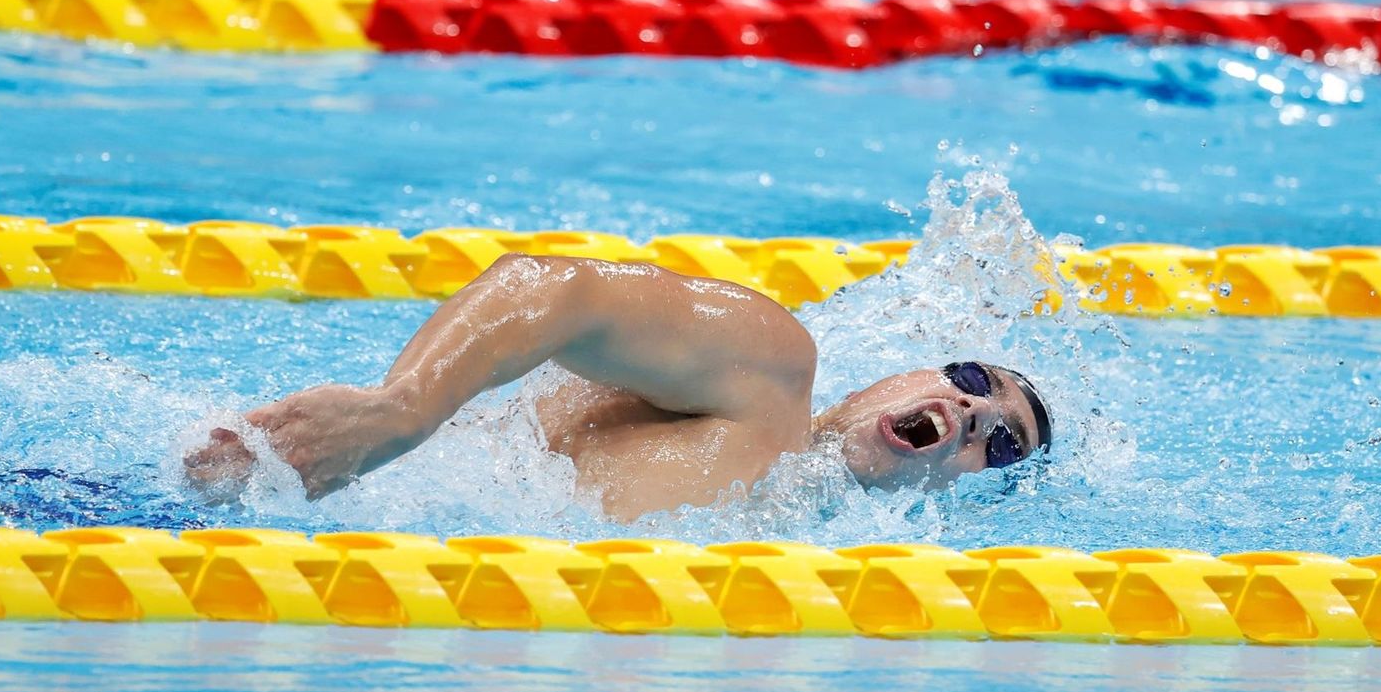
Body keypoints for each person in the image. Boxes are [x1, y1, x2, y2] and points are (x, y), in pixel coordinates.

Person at [185, 254, 1052, 521]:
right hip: (243, 492)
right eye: (974, 379)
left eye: (1002, 443)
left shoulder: (795, 547)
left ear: (971, 495)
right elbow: (557, 291)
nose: (975, 411)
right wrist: (399, 412)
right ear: (907, 377)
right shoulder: (771, 371)